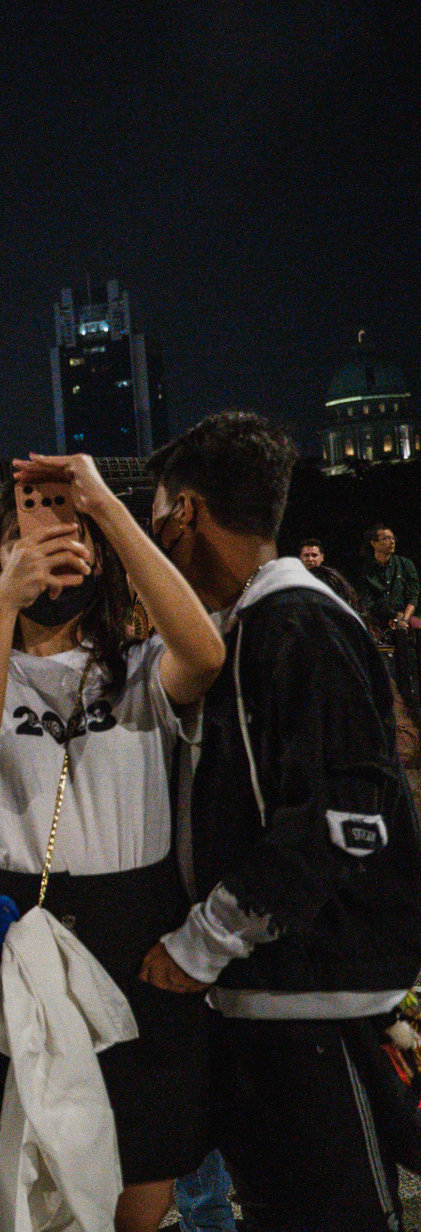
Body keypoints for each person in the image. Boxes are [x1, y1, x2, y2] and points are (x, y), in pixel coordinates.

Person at [0, 454, 223, 1232]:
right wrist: (2, 608)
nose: (52, 549)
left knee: (141, 1180)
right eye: (26, 538)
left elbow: (206, 655)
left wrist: (111, 513)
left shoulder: (142, 666)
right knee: (18, 1180)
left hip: (136, 929)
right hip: (7, 927)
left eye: (73, 535)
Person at [138, 413, 421, 1231]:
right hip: (272, 999)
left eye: (156, 518)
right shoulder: (252, 622)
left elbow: (344, 816)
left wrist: (205, 940)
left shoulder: (297, 618)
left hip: (315, 1006)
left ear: (186, 513)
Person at [358, 522, 420, 709]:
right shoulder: (366, 569)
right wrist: (390, 618)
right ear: (374, 543)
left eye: (393, 538)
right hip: (379, 617)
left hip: (404, 616)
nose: (392, 542)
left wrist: (403, 618)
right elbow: (366, 602)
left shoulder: (405, 564)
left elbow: (413, 596)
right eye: (386, 538)